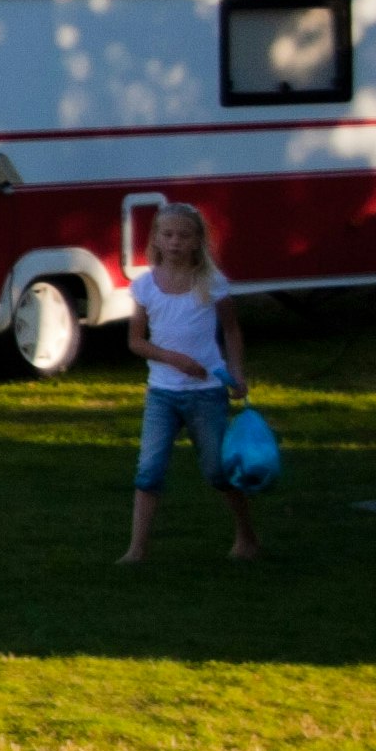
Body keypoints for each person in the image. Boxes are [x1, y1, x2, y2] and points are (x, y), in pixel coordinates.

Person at [120, 200, 263, 564]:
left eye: (183, 235)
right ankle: (137, 549)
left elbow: (231, 330)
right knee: (148, 470)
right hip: (163, 394)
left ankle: (246, 536)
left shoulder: (212, 283)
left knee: (217, 469)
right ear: (155, 238)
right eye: (167, 234)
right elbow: (136, 341)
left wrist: (238, 372)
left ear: (198, 240)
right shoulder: (145, 287)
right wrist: (174, 359)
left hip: (206, 393)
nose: (175, 242)